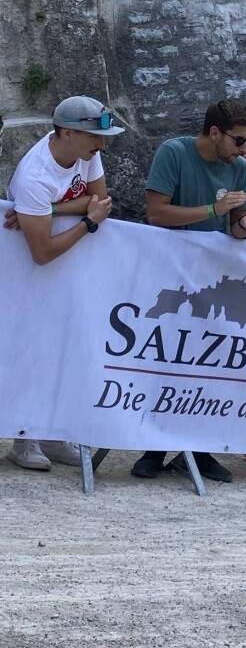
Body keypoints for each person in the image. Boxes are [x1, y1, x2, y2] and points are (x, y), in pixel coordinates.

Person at [130, 98, 246, 483]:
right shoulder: (173, 153)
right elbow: (156, 213)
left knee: (210, 364)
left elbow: (236, 226)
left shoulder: (239, 168)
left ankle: (199, 449)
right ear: (214, 133)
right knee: (165, 361)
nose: (245, 150)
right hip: (167, 277)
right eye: (239, 141)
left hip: (212, 281)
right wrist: (214, 210)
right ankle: (154, 448)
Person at [3, 96, 122, 471]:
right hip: (30, 275)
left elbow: (100, 199)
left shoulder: (86, 150)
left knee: (63, 347)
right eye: (93, 137)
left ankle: (52, 432)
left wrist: (47, 210)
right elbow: (42, 251)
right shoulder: (34, 176)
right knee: (29, 349)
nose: (101, 145)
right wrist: (87, 222)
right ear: (67, 133)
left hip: (67, 271)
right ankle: (23, 438)